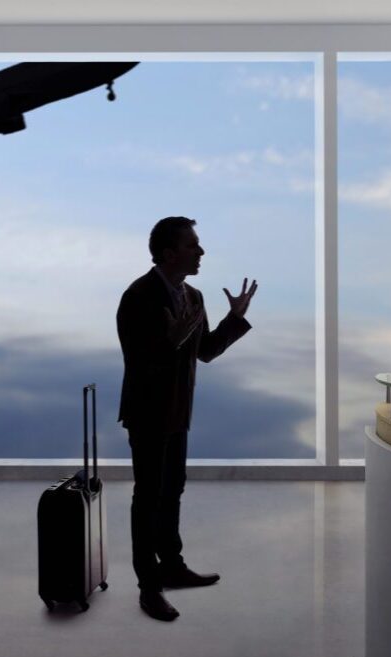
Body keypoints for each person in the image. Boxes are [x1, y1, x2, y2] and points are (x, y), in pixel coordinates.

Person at [116, 216, 257, 622]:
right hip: (147, 414)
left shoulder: (193, 297)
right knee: (147, 497)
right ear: (168, 251)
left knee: (172, 490)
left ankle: (173, 566)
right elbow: (140, 362)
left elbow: (206, 351)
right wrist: (170, 340)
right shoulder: (138, 296)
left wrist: (236, 318)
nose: (201, 251)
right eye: (193, 245)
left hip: (178, 413)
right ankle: (149, 586)